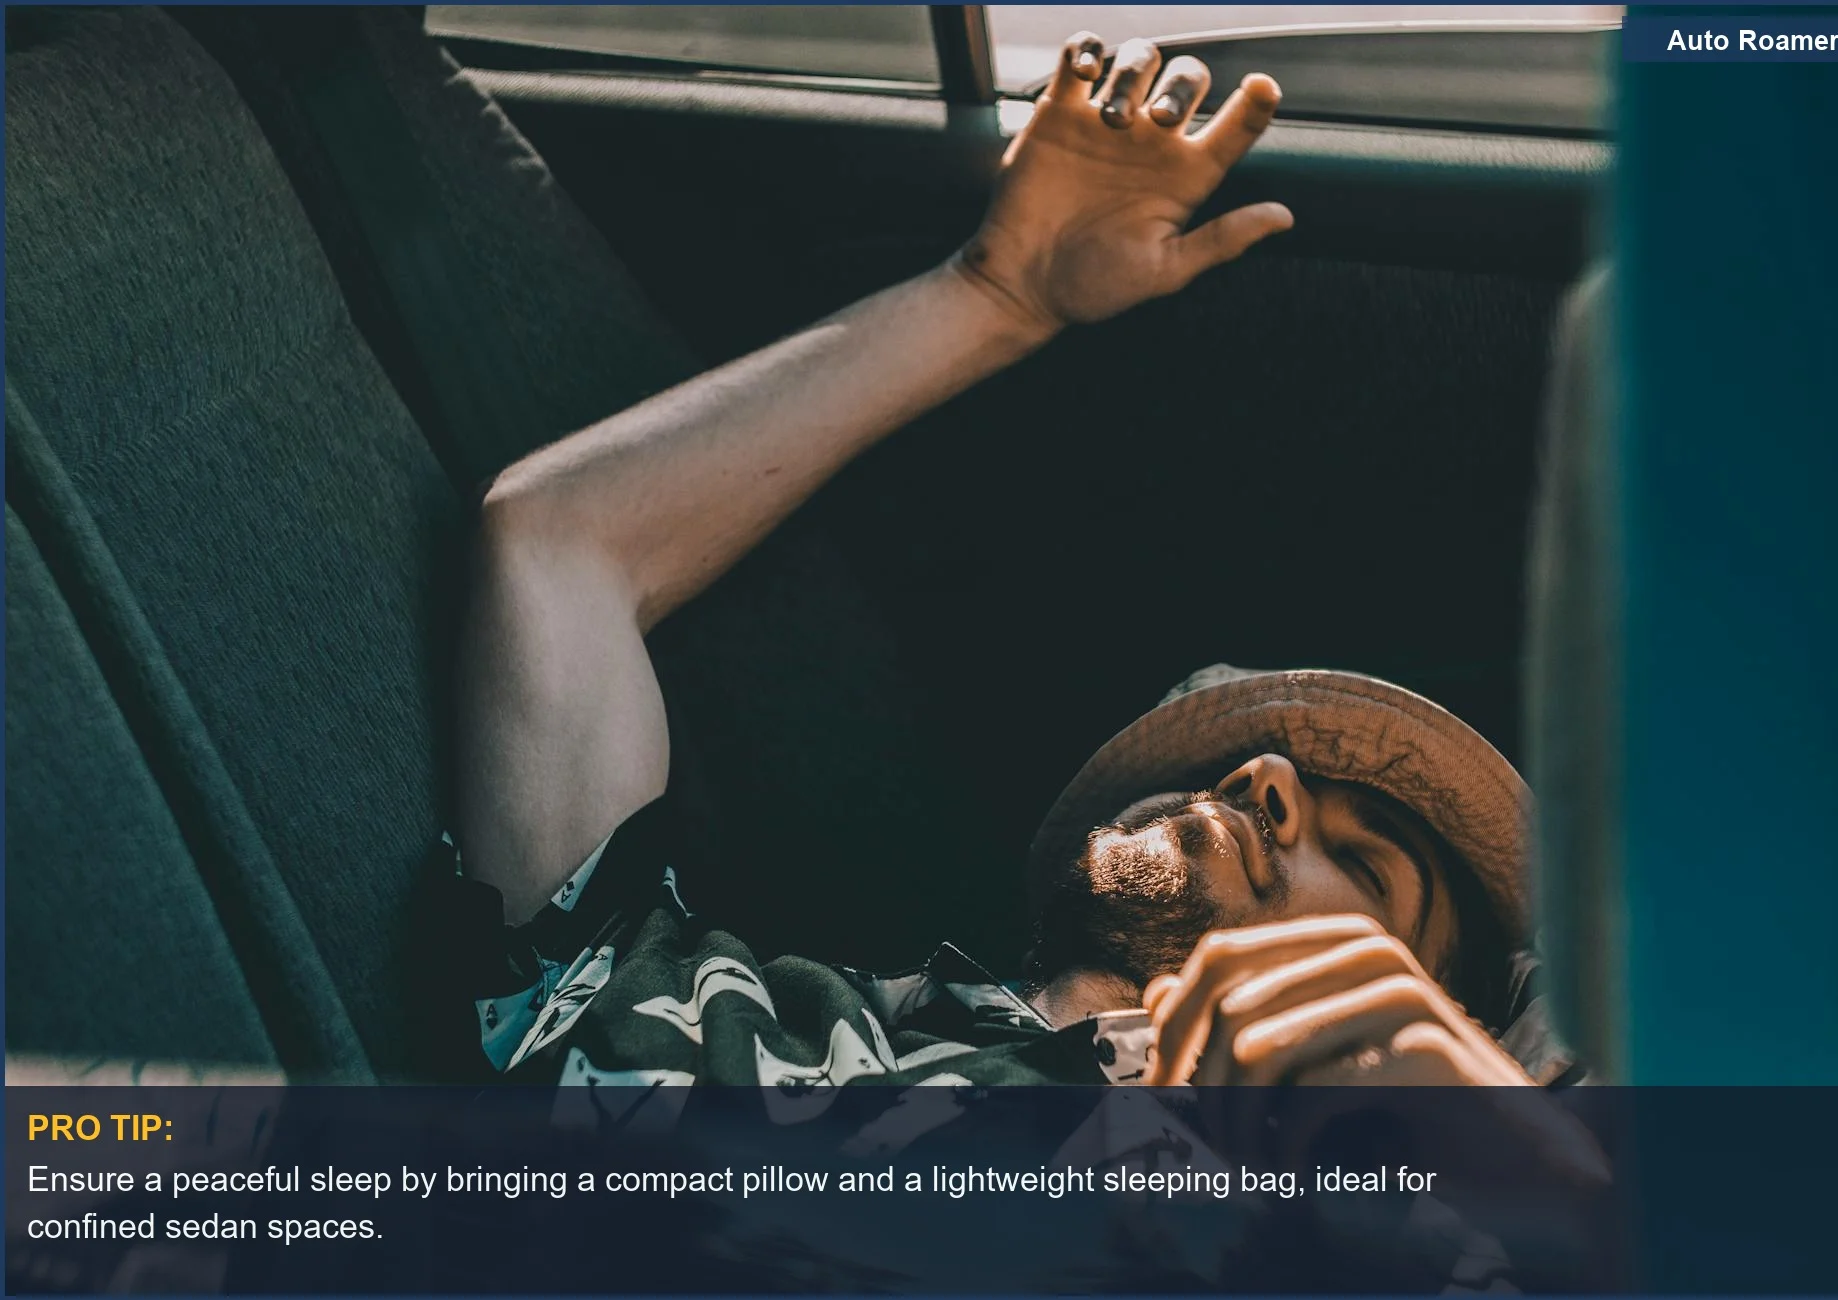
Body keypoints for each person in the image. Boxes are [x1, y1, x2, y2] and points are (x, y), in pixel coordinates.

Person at [453, 34, 1578, 1094]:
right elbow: (561, 543)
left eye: (1370, 867)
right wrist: (996, 293)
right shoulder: (706, 1012)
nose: (1269, 776)